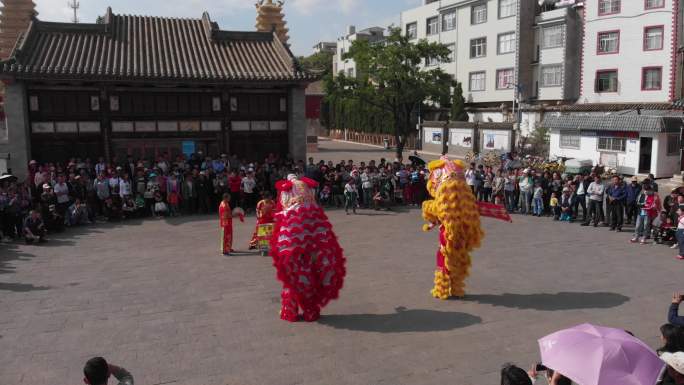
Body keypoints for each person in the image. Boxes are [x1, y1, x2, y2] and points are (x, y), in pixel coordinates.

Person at [271, 175, 345, 322]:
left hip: (292, 232)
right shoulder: (308, 188)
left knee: (292, 278)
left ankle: (290, 311)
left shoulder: (287, 189)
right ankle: (310, 311)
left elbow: (284, 204)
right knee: (309, 273)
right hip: (313, 226)